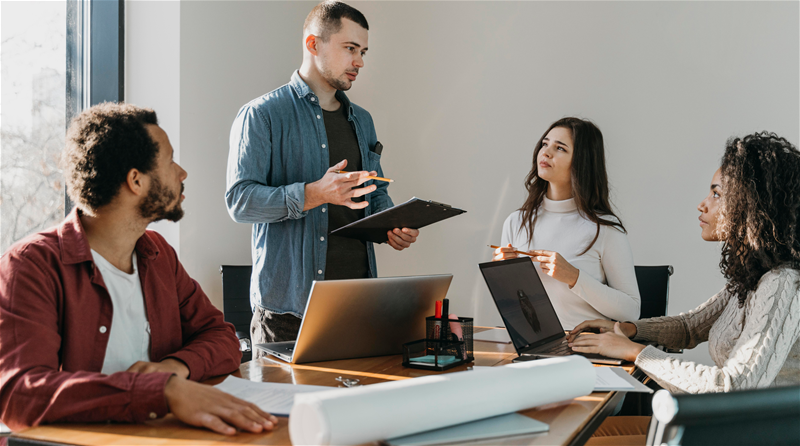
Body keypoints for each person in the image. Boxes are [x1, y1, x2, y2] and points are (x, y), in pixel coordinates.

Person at [0, 103, 278, 436]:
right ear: (136, 180)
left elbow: (222, 338)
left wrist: (173, 370)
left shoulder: (159, 254)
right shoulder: (31, 265)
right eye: (170, 161)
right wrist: (161, 392)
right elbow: (21, 394)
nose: (182, 173)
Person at [570, 132, 800, 443]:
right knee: (586, 435)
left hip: (744, 437)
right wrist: (625, 328)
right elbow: (689, 326)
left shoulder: (781, 283)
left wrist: (635, 352)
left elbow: (732, 387)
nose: (702, 205)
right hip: (723, 431)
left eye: (716, 194)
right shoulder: (753, 275)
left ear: (752, 204)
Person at [226, 1, 418, 351]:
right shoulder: (262, 115)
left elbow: (372, 192)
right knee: (285, 408)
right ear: (313, 44)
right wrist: (314, 193)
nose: (359, 62)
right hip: (287, 314)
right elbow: (240, 202)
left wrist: (390, 223)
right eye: (349, 49)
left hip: (357, 303)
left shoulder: (363, 120)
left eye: (363, 51)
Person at [493, 117, 640, 329]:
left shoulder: (605, 228)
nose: (546, 152)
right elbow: (511, 306)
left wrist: (574, 277)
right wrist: (501, 275)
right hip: (527, 347)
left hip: (584, 349)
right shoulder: (516, 222)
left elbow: (631, 311)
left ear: (582, 161)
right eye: (545, 144)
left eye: (560, 148)